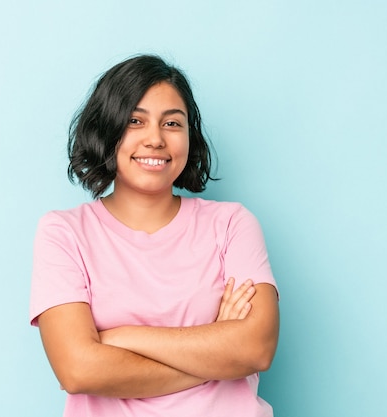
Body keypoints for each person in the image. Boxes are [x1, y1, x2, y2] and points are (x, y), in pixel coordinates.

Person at [30, 54, 279, 417]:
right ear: (107, 130)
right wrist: (216, 351)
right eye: (135, 121)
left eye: (173, 124)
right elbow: (78, 369)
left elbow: (256, 348)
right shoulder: (64, 233)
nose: (155, 139)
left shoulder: (232, 224)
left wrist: (121, 338)